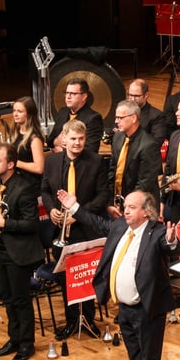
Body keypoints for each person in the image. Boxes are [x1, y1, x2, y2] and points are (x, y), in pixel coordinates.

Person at [57, 189, 180, 360]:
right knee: (134, 353)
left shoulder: (158, 232)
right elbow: (95, 222)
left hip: (148, 307)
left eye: (132, 207)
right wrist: (74, 207)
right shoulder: (120, 227)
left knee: (149, 356)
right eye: (125, 206)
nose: (125, 210)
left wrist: (172, 241)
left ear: (146, 212)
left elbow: (172, 247)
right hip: (124, 307)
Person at [41, 120, 110, 339]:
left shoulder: (97, 161)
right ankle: (72, 321)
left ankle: (88, 319)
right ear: (64, 139)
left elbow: (103, 196)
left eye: (81, 138)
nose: (78, 143)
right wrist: (52, 209)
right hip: (59, 229)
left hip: (85, 228)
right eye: (73, 139)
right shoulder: (52, 161)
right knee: (65, 279)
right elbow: (44, 189)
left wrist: (78, 213)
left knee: (86, 276)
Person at [0, 143, 43, 360]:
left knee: (20, 300)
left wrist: (6, 224)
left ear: (10, 164)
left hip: (19, 253)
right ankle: (14, 339)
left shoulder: (24, 187)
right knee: (7, 298)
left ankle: (27, 344)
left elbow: (32, 224)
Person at [108, 99, 161, 219]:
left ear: (133, 118)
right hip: (119, 203)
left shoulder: (149, 144)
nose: (116, 121)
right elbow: (112, 170)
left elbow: (145, 182)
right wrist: (112, 200)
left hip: (141, 206)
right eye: (116, 117)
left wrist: (128, 205)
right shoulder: (117, 137)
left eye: (120, 118)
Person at [46, 78, 104, 153]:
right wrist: (56, 141)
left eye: (73, 93)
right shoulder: (62, 112)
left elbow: (91, 149)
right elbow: (50, 141)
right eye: (67, 93)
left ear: (84, 96)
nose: (68, 97)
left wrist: (63, 151)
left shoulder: (93, 118)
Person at [5, 96, 45, 177]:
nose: (15, 114)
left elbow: (39, 168)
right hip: (16, 176)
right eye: (14, 111)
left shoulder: (34, 138)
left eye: (19, 111)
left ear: (29, 114)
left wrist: (16, 162)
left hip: (28, 180)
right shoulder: (15, 132)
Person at [127, 78, 167, 145]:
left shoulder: (157, 116)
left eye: (136, 96)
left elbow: (156, 141)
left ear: (146, 95)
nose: (132, 99)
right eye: (130, 95)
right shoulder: (123, 111)